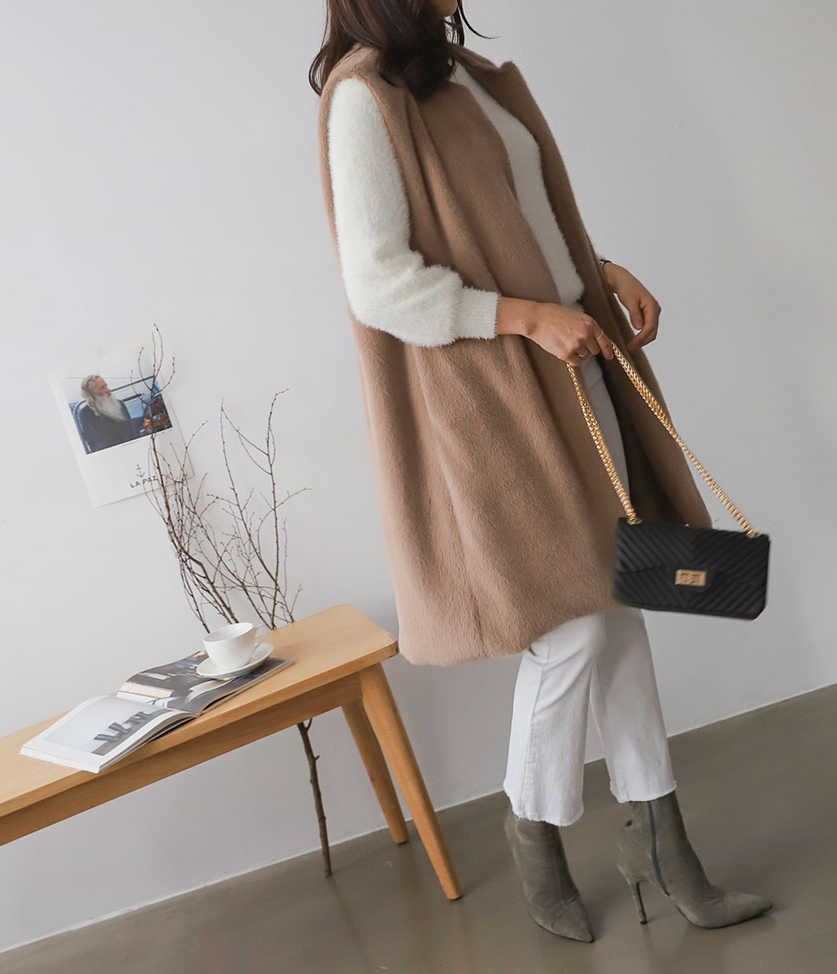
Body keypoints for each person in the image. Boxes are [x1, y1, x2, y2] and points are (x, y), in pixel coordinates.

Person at [311, 1, 773, 943]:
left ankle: (663, 848)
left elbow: (517, 221)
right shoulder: (365, 96)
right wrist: (525, 317)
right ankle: (534, 831)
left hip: (577, 365)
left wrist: (598, 270)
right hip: (498, 397)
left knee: (625, 602)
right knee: (571, 626)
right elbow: (378, 280)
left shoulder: (468, 77)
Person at [78, 374, 140, 452]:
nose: (108, 390)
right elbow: (95, 444)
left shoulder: (120, 404)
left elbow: (130, 431)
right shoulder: (86, 414)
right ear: (92, 393)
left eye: (106, 386)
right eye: (102, 388)